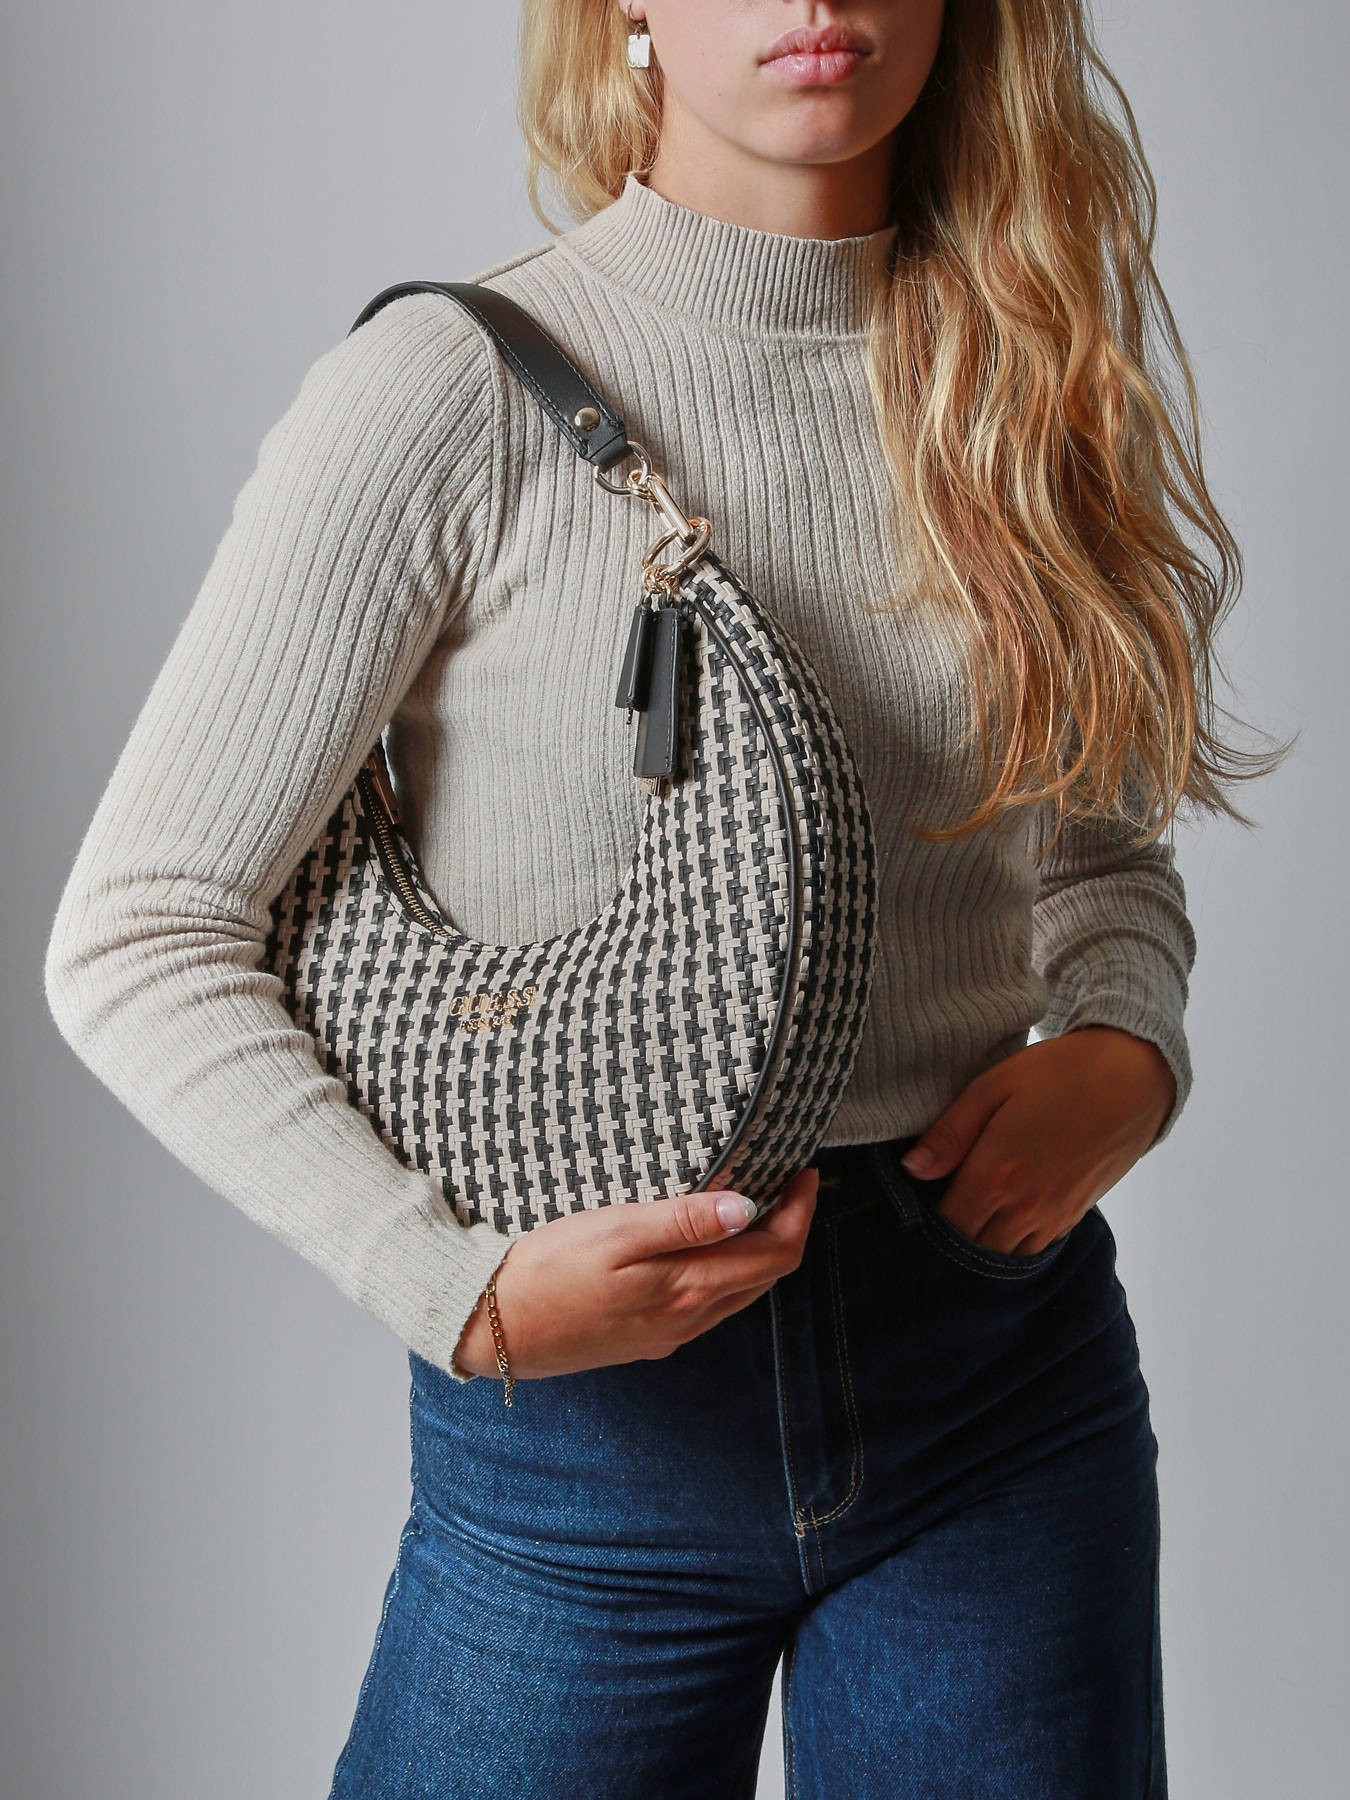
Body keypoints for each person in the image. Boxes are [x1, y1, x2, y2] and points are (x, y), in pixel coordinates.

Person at [43, 2, 1287, 1794]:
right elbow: (142, 931)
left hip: (996, 1386)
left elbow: (1099, 850)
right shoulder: (448, 392)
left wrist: (1125, 1047)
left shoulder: (1024, 369)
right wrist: (448, 1288)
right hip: (582, 1436)